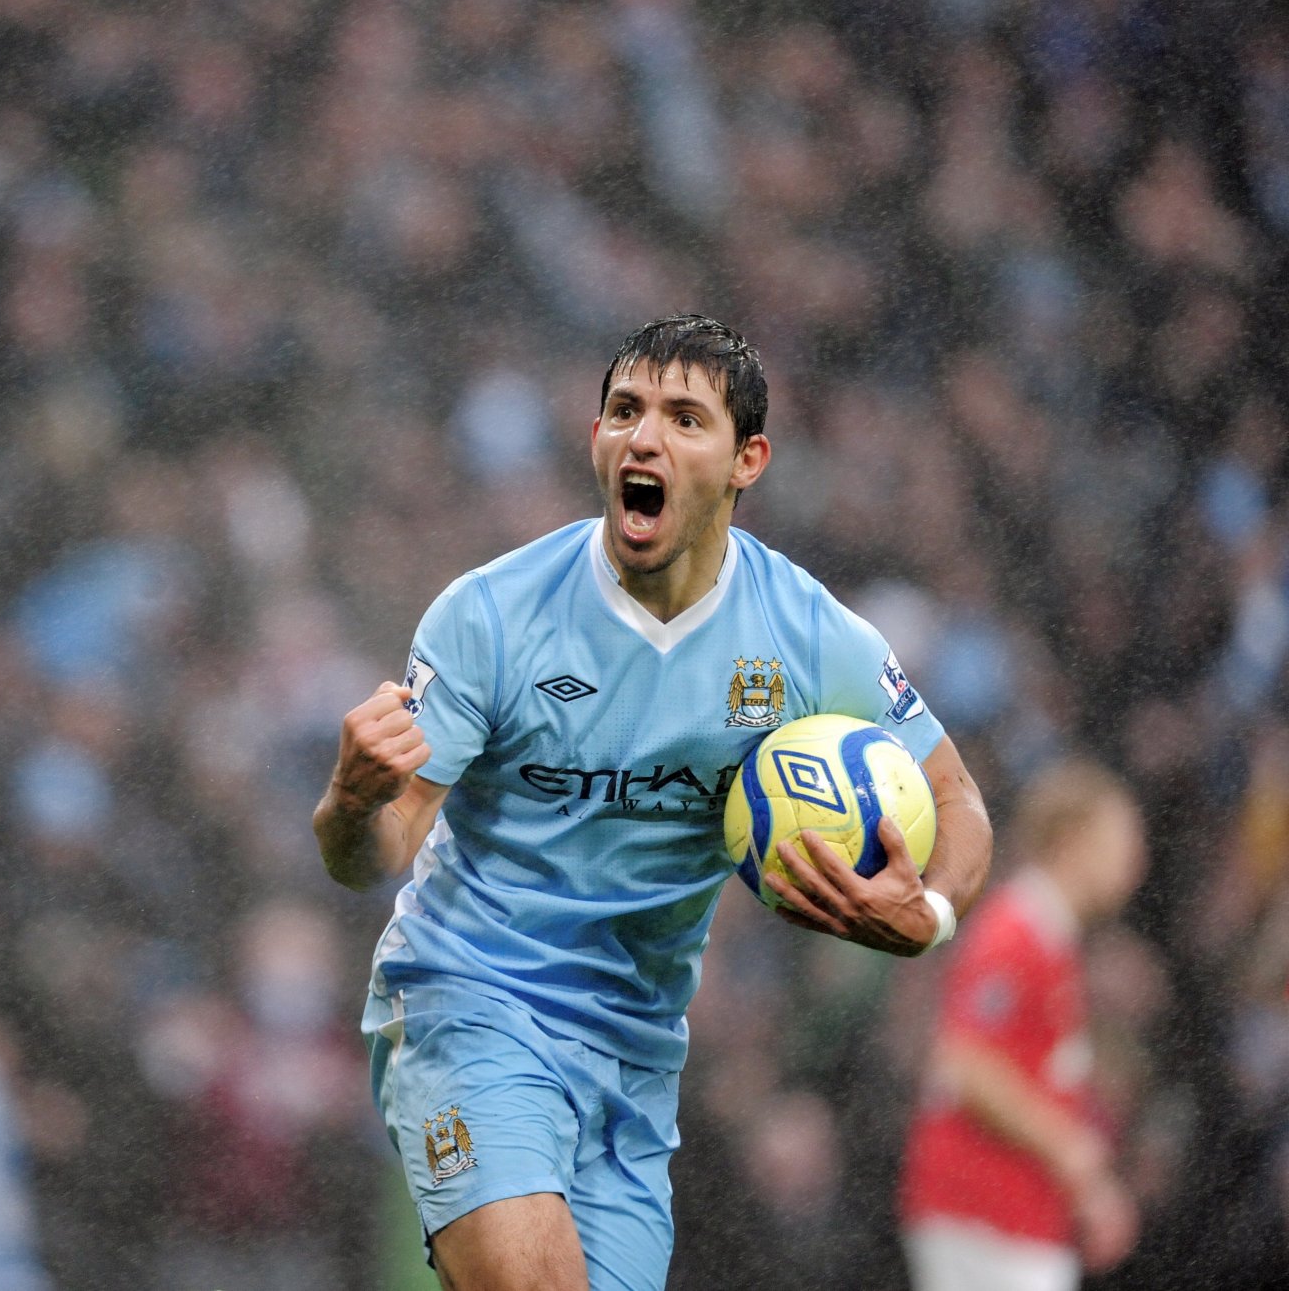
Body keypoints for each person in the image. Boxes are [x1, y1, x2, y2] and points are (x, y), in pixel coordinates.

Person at [313, 314, 993, 1291]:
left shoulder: (807, 637)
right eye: (625, 410)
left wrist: (927, 914)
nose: (645, 437)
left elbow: (956, 797)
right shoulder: (493, 615)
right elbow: (370, 854)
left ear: (747, 459)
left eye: (684, 417)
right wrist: (347, 799)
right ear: (595, 440)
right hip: (471, 1001)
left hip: (633, 1059)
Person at [900, 758, 1146, 1291]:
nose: (1135, 861)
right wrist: (1073, 1153)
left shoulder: (1050, 938)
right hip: (984, 1213)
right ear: (1072, 839)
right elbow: (965, 1065)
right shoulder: (1017, 933)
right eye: (1120, 839)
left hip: (1012, 1217)